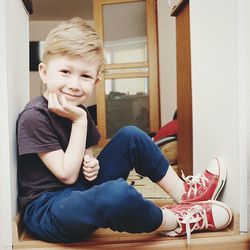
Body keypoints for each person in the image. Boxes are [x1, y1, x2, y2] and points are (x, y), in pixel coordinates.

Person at [16, 17, 232, 244]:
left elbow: (84, 155)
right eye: (65, 72)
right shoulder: (35, 117)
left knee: (131, 135)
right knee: (116, 194)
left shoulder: (79, 111)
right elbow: (67, 174)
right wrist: (79, 122)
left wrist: (90, 163)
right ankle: (176, 221)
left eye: (85, 76)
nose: (74, 84)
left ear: (97, 81)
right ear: (44, 72)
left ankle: (185, 195)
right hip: (49, 211)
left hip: (81, 193)